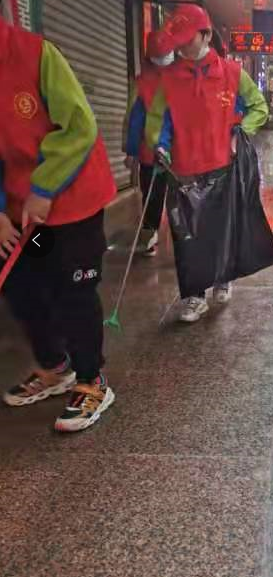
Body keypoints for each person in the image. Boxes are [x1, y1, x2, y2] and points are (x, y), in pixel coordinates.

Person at [0, 16, 116, 431]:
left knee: (74, 288)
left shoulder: (35, 54)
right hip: (23, 211)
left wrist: (45, 188)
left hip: (72, 199)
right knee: (23, 284)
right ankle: (55, 367)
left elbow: (79, 127)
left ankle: (92, 379)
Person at [152, 4, 269, 322]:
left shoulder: (232, 73)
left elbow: (260, 107)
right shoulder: (168, 78)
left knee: (220, 229)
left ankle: (222, 278)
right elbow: (159, 120)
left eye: (187, 38)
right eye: (177, 40)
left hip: (222, 166)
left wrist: (239, 134)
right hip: (183, 169)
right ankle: (193, 296)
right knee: (187, 235)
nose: (181, 46)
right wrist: (159, 144)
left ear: (205, 35)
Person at [123, 31, 174, 257]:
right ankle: (151, 236)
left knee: (154, 197)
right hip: (154, 152)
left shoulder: (146, 81)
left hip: (168, 152)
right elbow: (134, 119)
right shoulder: (143, 82)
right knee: (157, 196)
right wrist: (132, 151)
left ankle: (151, 237)